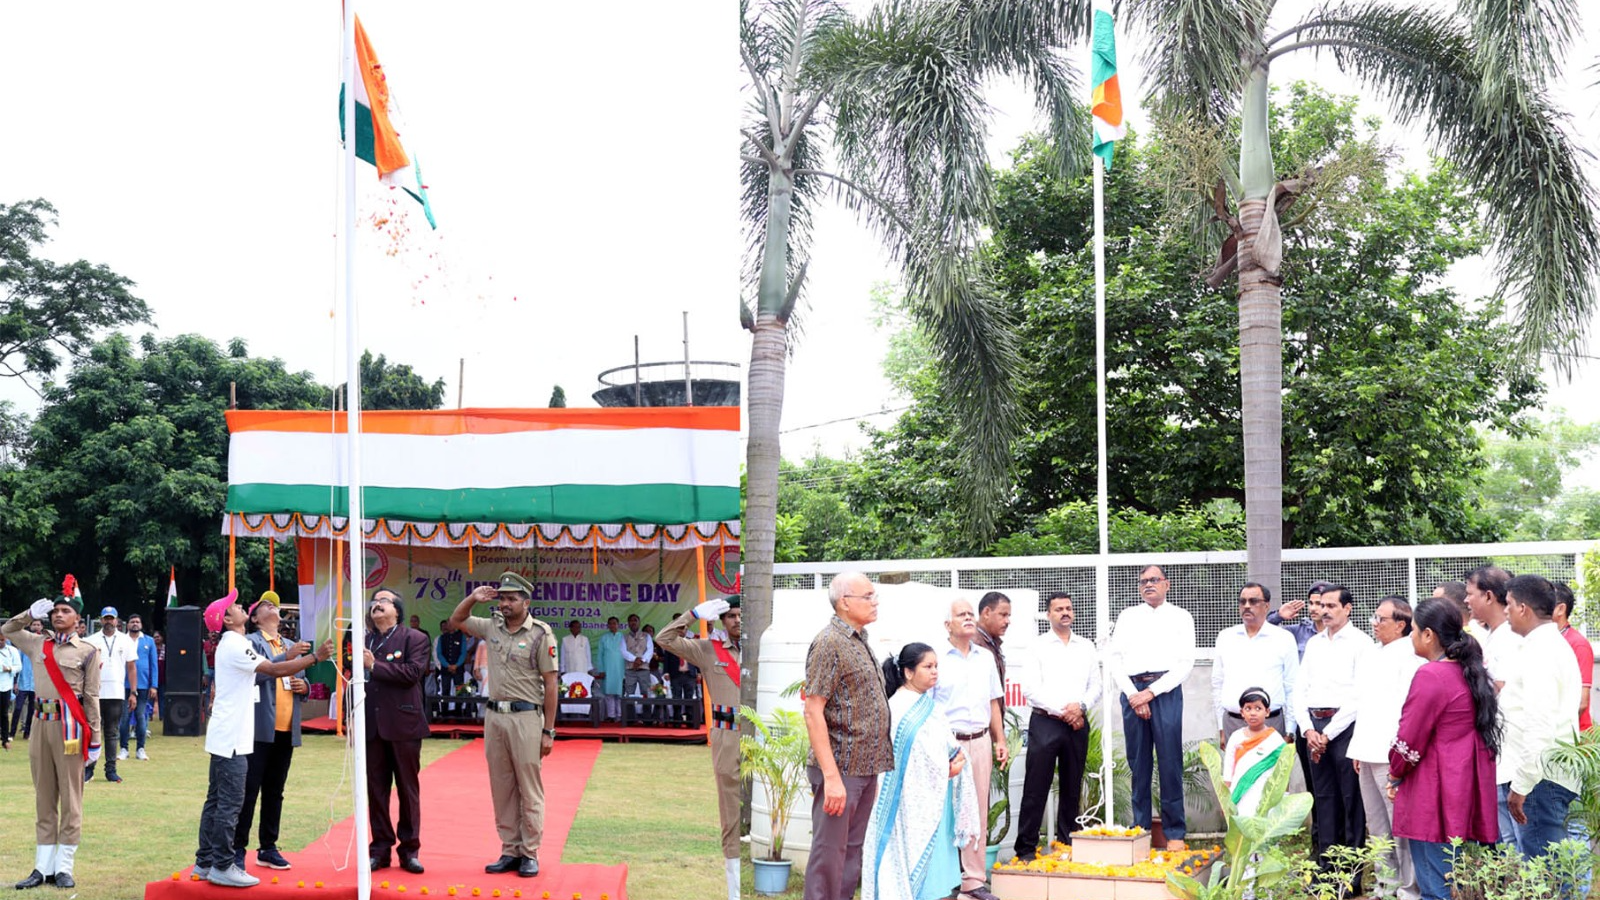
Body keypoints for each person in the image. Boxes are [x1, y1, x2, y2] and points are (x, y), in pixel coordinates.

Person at [192, 590, 332, 889]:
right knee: (230, 803)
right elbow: (273, 669)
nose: (243, 606)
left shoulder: (233, 643)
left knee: (217, 801)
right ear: (228, 619)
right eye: (237, 606)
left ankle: (205, 862)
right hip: (234, 737)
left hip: (227, 733)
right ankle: (223, 865)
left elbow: (275, 666)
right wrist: (314, 658)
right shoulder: (237, 643)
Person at [1387, 597, 1500, 900]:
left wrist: (1395, 773)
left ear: (1428, 635)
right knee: (1459, 881)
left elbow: (1409, 738)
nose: (1410, 636)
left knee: (1435, 889)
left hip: (1433, 791)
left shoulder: (1432, 675)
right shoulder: (1470, 669)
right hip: (1465, 784)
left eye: (1412, 630)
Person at [450, 572, 559, 878]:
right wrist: (473, 598)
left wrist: (548, 730)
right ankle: (509, 850)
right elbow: (457, 619)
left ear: (526, 602)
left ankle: (530, 852)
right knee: (502, 786)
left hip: (527, 717)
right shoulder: (491, 626)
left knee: (529, 787)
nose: (506, 603)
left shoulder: (540, 633)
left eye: (512, 598)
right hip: (495, 717)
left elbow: (551, 685)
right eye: (502, 598)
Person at [862, 642, 980, 900]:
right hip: (907, 803)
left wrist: (957, 760)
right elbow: (904, 756)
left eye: (936, 666)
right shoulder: (898, 708)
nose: (935, 671)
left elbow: (945, 746)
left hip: (935, 795)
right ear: (908, 672)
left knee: (938, 872)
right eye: (928, 666)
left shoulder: (931, 706)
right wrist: (945, 768)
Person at [802, 572, 894, 900]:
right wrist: (832, 778)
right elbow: (813, 710)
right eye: (867, 596)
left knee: (851, 854)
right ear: (845, 602)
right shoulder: (830, 642)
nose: (875, 601)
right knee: (830, 856)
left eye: (874, 595)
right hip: (839, 769)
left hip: (865, 767)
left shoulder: (859, 639)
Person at [5, 590, 102, 890]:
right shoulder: (37, 643)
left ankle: (64, 867)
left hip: (70, 728)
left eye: (65, 611)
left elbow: (91, 697)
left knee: (71, 798)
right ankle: (41, 868)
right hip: (39, 725)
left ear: (78, 620)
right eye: (55, 610)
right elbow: (6, 630)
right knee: (43, 797)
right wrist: (29, 614)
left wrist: (95, 741)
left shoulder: (87, 650)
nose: (59, 614)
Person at [654, 596, 743, 900]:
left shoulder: (760, 649)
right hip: (727, 736)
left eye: (742, 615)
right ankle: (735, 889)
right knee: (730, 810)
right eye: (730, 615)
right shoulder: (709, 651)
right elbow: (664, 639)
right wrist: (692, 615)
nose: (737, 621)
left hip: (760, 740)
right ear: (721, 620)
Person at [1107, 564, 1195, 850]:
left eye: (1154, 580)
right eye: (1143, 581)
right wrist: (1135, 695)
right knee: (1138, 765)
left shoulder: (1181, 617)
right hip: (1132, 692)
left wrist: (1151, 693)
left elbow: (1185, 664)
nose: (1148, 585)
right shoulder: (1127, 616)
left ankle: (1174, 834)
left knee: (1170, 763)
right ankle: (1141, 830)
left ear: (1167, 584)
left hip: (1165, 692)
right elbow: (1115, 659)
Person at [1294, 584, 1371, 889]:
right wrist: (1308, 729)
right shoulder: (1314, 644)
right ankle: (1326, 874)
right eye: (1321, 605)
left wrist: (1327, 733)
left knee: (1351, 801)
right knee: (1323, 800)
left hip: (1345, 728)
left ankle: (1350, 880)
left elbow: (1359, 695)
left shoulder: (1361, 643)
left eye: (1331, 605)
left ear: (1347, 608)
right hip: (1314, 727)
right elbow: (1300, 689)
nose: (1324, 611)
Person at [1499, 574, 1581, 860]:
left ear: (1523, 608)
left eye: (1508, 603)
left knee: (1545, 873)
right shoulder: (1547, 646)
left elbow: (1539, 725)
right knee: (1549, 871)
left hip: (1538, 780)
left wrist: (1521, 786)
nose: (1505, 610)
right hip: (1542, 778)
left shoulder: (1541, 651)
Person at [1014, 592, 1100, 862]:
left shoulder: (1085, 646)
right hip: (1046, 722)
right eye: (1059, 609)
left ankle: (1066, 843)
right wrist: (1064, 711)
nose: (1065, 612)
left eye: (1069, 608)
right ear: (1048, 614)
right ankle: (1026, 849)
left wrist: (1080, 707)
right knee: (1035, 787)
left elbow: (1095, 685)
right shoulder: (1037, 646)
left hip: (1077, 723)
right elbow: (1030, 688)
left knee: (1072, 786)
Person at [1349, 596, 1423, 900]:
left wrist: (1399, 757)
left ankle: (1409, 889)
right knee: (1376, 825)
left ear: (1401, 625)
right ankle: (1385, 884)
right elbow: (1361, 704)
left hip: (1391, 754)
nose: (1374, 624)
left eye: (1381, 619)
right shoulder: (1371, 654)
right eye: (1375, 618)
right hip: (1366, 749)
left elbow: (1406, 712)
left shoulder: (1411, 657)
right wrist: (1357, 748)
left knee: (1400, 826)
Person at [933, 598, 1007, 900]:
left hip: (979, 743)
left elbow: (993, 702)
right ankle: (942, 881)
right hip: (945, 744)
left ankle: (973, 881)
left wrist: (999, 740)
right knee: (943, 812)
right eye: (960, 614)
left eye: (969, 614)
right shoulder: (935, 658)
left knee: (976, 811)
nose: (967, 618)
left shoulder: (985, 658)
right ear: (947, 624)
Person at [234, 592, 310, 872]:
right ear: (254, 617)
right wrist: (284, 657)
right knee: (249, 789)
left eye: (276, 604)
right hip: (258, 728)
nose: (273, 607)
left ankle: (268, 847)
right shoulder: (249, 642)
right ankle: (237, 849)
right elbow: (253, 675)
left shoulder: (291, 644)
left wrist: (306, 688)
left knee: (275, 791)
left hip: (286, 728)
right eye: (266, 604)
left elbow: (301, 679)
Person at [362, 588, 432, 874]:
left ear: (397, 611)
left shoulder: (415, 638)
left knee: (407, 789)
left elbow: (413, 674)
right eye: (374, 602)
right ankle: (379, 849)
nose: (377, 605)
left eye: (384, 601)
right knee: (376, 791)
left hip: (404, 724)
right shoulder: (364, 639)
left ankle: (410, 850)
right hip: (372, 725)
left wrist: (374, 666)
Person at [1212, 582, 1298, 743]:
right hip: (1233, 723)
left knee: (1272, 769)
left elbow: (1292, 686)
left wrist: (1290, 730)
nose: (1246, 606)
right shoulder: (1226, 637)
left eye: (1253, 601)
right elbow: (1218, 683)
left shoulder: (1283, 638)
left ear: (1266, 606)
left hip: (1271, 724)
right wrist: (1221, 727)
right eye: (1242, 601)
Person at [84, 606, 136, 784]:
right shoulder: (91, 640)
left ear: (116, 620)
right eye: (105, 618)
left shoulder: (125, 640)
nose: (108, 621)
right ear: (101, 620)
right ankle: (88, 769)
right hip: (94, 692)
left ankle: (111, 770)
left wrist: (133, 692)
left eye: (111, 618)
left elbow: (131, 667)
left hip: (116, 692)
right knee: (93, 732)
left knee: (112, 732)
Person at [1221, 688, 1288, 817]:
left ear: (1267, 712)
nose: (1253, 713)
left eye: (1258, 708)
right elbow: (1228, 769)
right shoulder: (1236, 737)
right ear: (1242, 712)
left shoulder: (1275, 739)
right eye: (1248, 708)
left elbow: (1283, 772)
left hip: (1265, 795)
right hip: (1240, 793)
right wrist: (1226, 798)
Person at [1552, 582, 1593, 733]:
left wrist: (1559, 731)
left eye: (1546, 602)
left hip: (1573, 740)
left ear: (1561, 609)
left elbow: (1582, 702)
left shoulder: (1578, 643)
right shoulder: (1547, 640)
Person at [120, 613, 158, 761]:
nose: (135, 624)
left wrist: (153, 685)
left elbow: (153, 664)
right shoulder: (121, 640)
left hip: (143, 685)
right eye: (132, 622)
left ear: (141, 624)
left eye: (137, 621)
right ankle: (124, 749)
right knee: (124, 718)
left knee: (141, 716)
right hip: (124, 684)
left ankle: (140, 749)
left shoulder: (148, 641)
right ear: (127, 625)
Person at [1268, 581, 1330, 660]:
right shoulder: (1299, 631)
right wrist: (1278, 616)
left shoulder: (1340, 634)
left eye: (1318, 603)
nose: (1313, 608)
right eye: (1311, 603)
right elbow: (1263, 630)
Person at [9, 619, 44, 743]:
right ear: (30, 626)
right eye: (34, 624)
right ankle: (11, 733)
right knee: (18, 708)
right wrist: (16, 682)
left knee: (32, 710)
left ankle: (27, 733)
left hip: (36, 683)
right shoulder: (24, 644)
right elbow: (19, 663)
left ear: (42, 627)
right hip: (23, 682)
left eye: (38, 624)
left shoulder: (44, 644)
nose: (36, 626)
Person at [974, 591, 1011, 687]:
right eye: (1003, 615)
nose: (1008, 621)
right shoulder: (974, 644)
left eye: (1008, 616)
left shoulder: (991, 642)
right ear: (986, 613)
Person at [434, 617, 470, 717]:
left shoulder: (461, 636)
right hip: (446, 669)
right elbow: (439, 653)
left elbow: (463, 653)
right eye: (448, 623)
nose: (449, 625)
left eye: (451, 623)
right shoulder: (442, 637)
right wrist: (447, 665)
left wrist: (456, 665)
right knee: (445, 692)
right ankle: (444, 714)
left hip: (458, 669)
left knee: (460, 691)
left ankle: (459, 714)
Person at [621, 613, 653, 714]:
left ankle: (647, 718)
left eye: (635, 620)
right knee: (629, 693)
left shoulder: (647, 636)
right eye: (631, 621)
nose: (633, 622)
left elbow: (650, 651)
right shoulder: (624, 637)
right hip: (630, 669)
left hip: (644, 669)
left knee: (646, 692)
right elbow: (623, 651)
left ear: (639, 622)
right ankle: (630, 718)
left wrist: (641, 660)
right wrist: (635, 659)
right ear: (628, 623)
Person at [596, 616, 624, 722]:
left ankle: (620, 715)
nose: (612, 625)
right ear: (608, 625)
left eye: (614, 623)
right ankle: (611, 715)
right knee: (609, 693)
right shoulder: (604, 638)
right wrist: (601, 669)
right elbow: (600, 655)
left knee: (619, 693)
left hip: (620, 668)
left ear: (618, 625)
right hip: (607, 668)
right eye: (610, 623)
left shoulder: (623, 637)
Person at [0, 631, 20, 750]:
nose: (0, 642)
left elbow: (19, 666)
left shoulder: (12, 651)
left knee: (4, 714)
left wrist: (8, 669)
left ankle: (5, 739)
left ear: (6, 638)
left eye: (2, 640)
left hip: (5, 686)